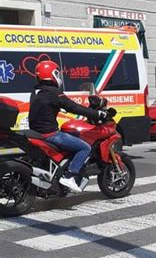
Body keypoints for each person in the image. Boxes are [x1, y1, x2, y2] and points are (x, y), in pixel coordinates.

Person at [29, 61, 107, 193]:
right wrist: (97, 113)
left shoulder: (37, 91)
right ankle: (69, 176)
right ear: (53, 74)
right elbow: (74, 107)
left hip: (35, 132)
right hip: (50, 134)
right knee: (84, 147)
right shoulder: (54, 92)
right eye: (57, 73)